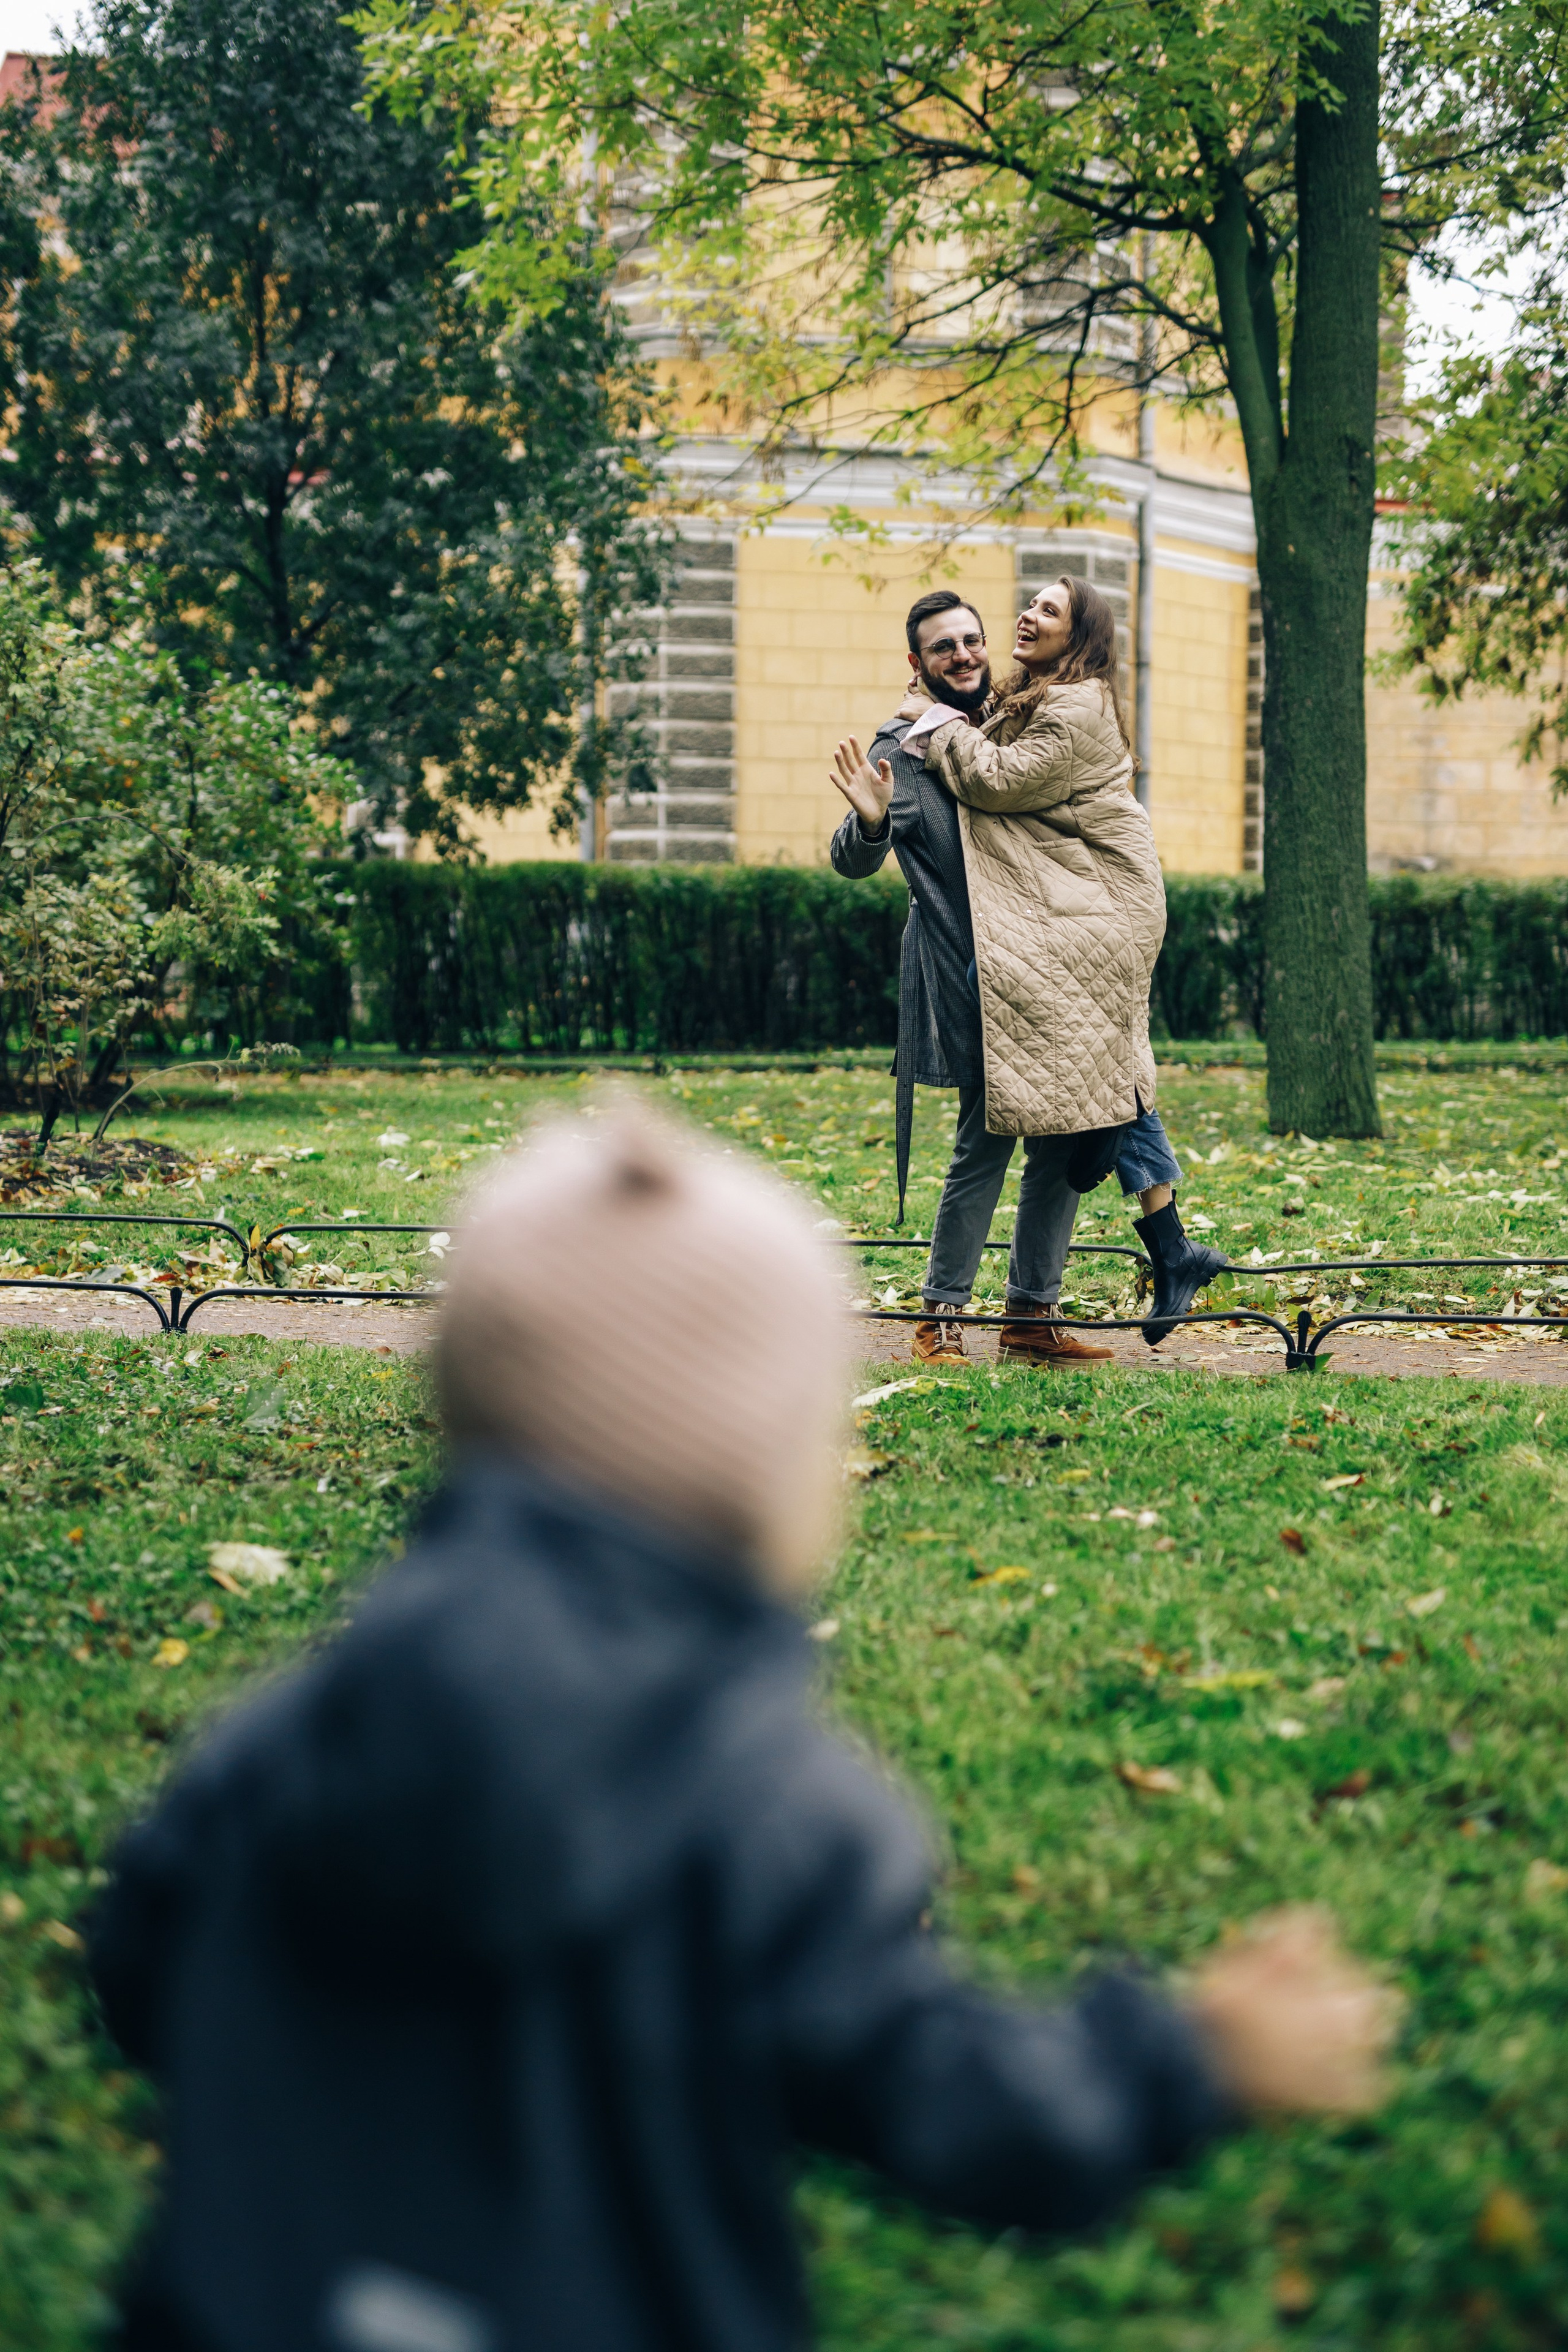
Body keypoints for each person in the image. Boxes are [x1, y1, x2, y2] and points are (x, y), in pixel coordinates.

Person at [89, 1110, 1391, 2352]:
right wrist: (1187, 2057)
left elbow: (137, 1964)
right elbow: (959, 2104)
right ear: (762, 1482)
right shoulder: (770, 1811)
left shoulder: (310, 1718)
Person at [831, 584, 1226, 1359]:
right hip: (975, 976)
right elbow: (850, 853)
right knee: (985, 1141)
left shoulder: (1007, 722)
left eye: (970, 639)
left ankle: (1030, 1318)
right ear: (918, 663)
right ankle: (939, 1317)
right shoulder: (904, 744)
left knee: (1058, 1140)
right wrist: (873, 821)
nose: (965, 655)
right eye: (943, 647)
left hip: (1047, 972)